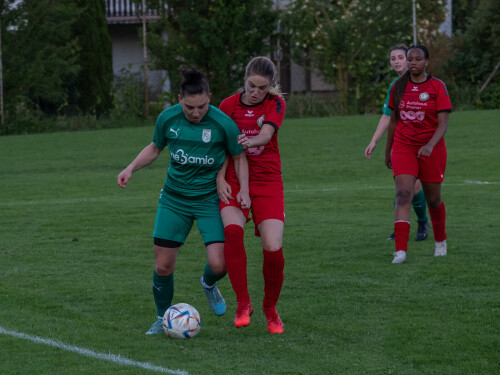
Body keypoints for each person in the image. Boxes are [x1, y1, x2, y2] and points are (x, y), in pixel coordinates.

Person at [117, 69, 250, 334]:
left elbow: (238, 156)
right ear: (179, 99)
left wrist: (243, 189)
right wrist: (130, 168)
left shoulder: (223, 123)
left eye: (202, 106)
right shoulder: (167, 118)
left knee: (219, 264)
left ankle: (209, 284)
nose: (196, 112)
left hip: (209, 201)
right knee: (163, 265)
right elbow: (155, 147)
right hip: (174, 200)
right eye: (190, 107)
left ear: (210, 98)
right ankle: (161, 318)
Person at [217, 56, 286, 334]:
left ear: (270, 86)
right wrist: (220, 177)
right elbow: (222, 148)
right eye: (251, 85)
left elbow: (266, 135)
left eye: (262, 87)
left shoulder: (275, 103)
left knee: (273, 248)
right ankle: (243, 303)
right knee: (232, 233)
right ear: (244, 80)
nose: (255, 92)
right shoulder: (227, 105)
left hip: (267, 180)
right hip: (233, 178)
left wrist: (251, 139)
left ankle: (270, 308)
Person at [385, 45, 451, 264]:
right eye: (410, 59)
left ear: (426, 62)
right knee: (404, 194)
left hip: (431, 148)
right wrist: (388, 150)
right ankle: (400, 251)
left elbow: (443, 124)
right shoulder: (398, 86)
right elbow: (394, 121)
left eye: (417, 59)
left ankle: (440, 241)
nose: (413, 63)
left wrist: (431, 145)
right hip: (404, 146)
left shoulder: (437, 86)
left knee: (433, 200)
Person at [365, 44, 429, 241]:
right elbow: (387, 117)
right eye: (393, 58)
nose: (397, 61)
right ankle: (400, 229)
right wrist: (374, 141)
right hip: (401, 143)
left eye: (400, 57)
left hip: (421, 142)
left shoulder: (423, 82)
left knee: (416, 187)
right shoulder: (395, 86)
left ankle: (422, 221)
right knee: (403, 187)